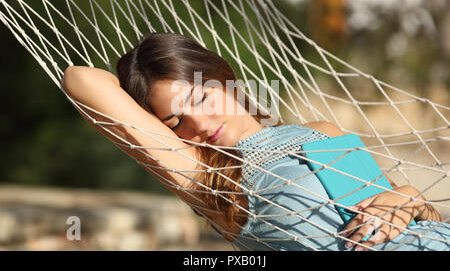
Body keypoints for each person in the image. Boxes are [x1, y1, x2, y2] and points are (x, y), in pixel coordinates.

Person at [61, 32, 449, 251]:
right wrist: (141, 84)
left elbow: (416, 211)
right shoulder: (208, 180)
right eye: (176, 120)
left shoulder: (322, 131)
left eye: (201, 97)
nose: (200, 122)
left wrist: (407, 196)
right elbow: (81, 79)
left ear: (221, 78)